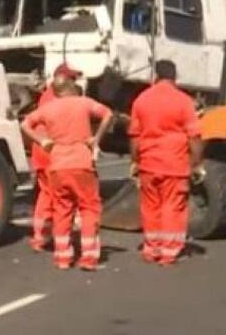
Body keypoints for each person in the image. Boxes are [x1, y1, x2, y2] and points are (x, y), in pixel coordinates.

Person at [21, 75, 113, 271]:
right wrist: (96, 138)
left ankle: (63, 257)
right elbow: (108, 114)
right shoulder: (83, 103)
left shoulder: (47, 109)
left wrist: (42, 141)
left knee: (62, 210)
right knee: (88, 208)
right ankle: (88, 257)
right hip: (81, 163)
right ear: (71, 87)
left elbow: (25, 125)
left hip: (57, 164)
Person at [128, 60, 204, 266]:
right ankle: (169, 251)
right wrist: (196, 163)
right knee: (173, 206)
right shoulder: (183, 101)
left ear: (155, 76)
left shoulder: (141, 100)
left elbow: (134, 136)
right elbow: (194, 136)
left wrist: (135, 161)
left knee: (150, 206)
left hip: (148, 164)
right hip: (175, 164)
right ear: (175, 76)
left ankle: (151, 248)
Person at [28, 63, 83, 252]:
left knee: (46, 194)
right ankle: (59, 239)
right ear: (63, 79)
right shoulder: (60, 100)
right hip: (53, 153)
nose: (75, 82)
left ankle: (40, 236)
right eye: (72, 78)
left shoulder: (47, 96)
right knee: (60, 197)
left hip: (42, 152)